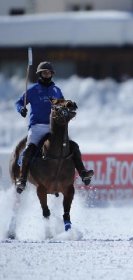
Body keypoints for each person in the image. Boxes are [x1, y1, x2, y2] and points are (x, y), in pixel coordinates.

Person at [15, 61, 94, 193]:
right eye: (44, 72)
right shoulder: (33, 90)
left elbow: (63, 103)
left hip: (55, 128)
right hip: (37, 127)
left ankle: (83, 173)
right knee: (29, 151)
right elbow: (18, 102)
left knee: (73, 147)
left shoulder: (56, 91)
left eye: (49, 72)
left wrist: (70, 105)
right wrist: (21, 109)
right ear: (40, 74)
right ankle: (22, 179)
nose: (47, 74)